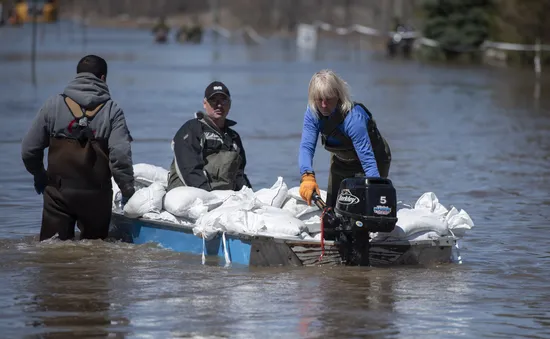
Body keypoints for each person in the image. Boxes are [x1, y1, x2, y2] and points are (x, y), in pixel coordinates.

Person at [21, 55, 135, 241]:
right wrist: (127, 190)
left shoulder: (53, 105)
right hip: (96, 196)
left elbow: (29, 149)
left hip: (57, 193)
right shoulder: (112, 111)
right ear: (103, 78)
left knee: (53, 253)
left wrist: (40, 174)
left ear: (77, 76)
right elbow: (120, 156)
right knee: (95, 257)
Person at [298, 69, 391, 208]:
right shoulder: (312, 114)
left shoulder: (353, 118)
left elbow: (368, 160)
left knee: (364, 208)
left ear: (338, 96)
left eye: (328, 99)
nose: (323, 105)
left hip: (373, 160)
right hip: (341, 162)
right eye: (319, 100)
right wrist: (307, 176)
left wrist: (376, 192)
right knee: (333, 209)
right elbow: (306, 147)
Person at [167, 81, 252, 192]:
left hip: (222, 194)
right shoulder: (192, 129)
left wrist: (250, 195)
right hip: (190, 191)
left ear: (230, 104)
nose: (219, 105)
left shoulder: (234, 137)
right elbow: (189, 168)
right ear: (204, 103)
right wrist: (209, 196)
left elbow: (239, 175)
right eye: (213, 100)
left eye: (223, 100)